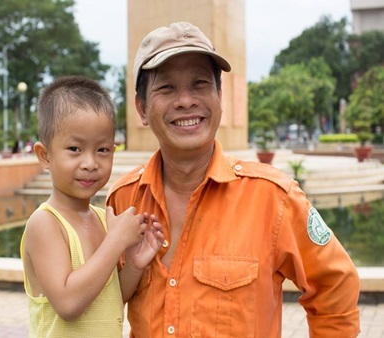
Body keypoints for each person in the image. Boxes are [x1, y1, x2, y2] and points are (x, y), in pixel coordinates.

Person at [107, 22, 360, 337]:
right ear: (142, 108)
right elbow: (100, 305)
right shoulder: (122, 202)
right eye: (167, 87)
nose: (186, 100)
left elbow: (335, 285)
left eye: (200, 84)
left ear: (219, 97)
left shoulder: (273, 199)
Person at [20, 75, 164, 337]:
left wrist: (134, 264)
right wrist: (116, 242)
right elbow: (69, 303)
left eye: (102, 150)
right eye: (75, 149)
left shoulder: (101, 218)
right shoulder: (45, 224)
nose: (90, 163)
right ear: (45, 155)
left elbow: (106, 298)